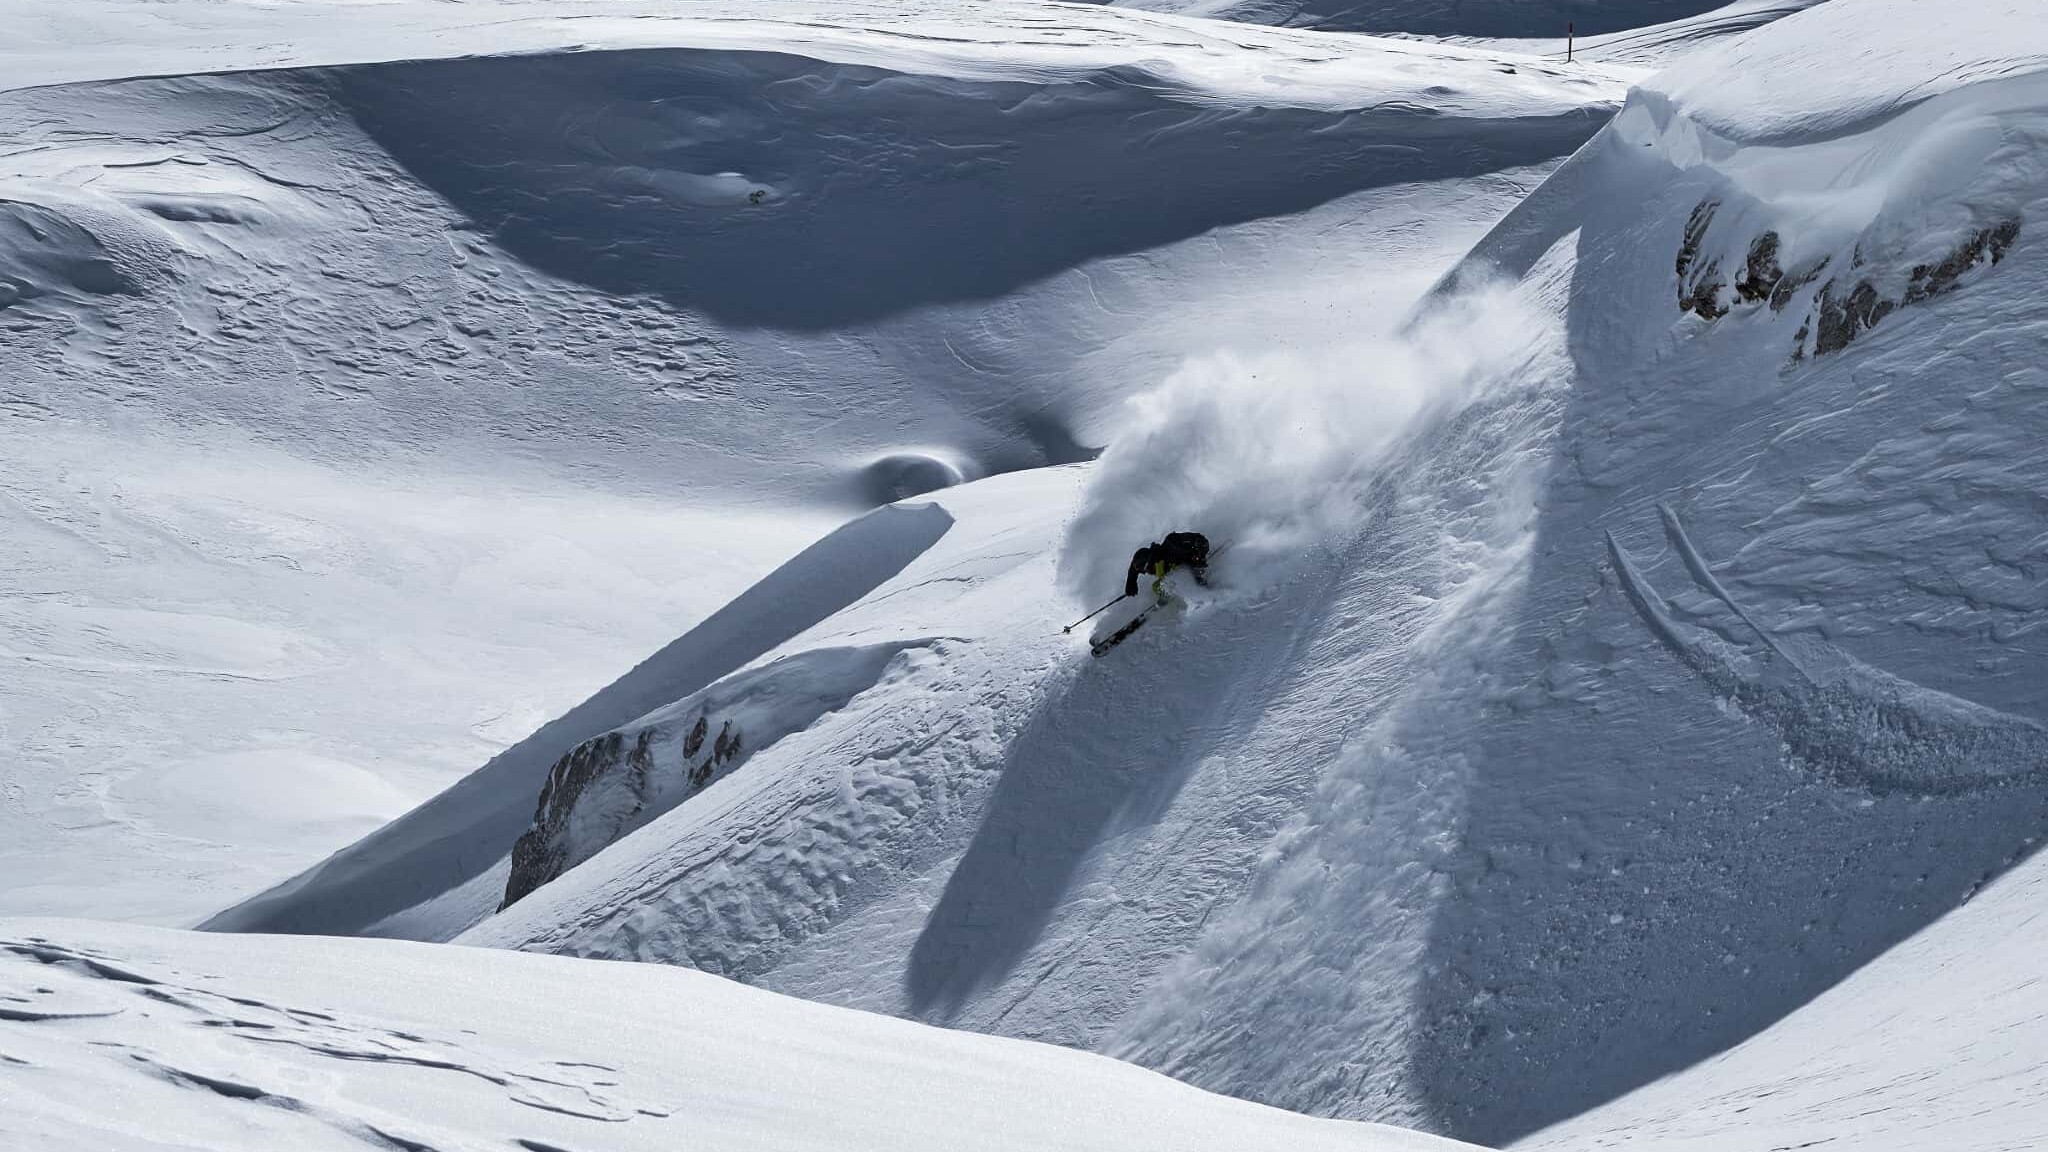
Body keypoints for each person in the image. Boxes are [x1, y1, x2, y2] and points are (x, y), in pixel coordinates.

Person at [1123, 531, 1211, 601]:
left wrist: (1200, 557)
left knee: (1164, 580)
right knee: (1157, 586)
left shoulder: (1171, 546)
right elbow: (1134, 569)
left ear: (1151, 562)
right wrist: (1131, 583)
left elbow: (1199, 541)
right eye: (1146, 571)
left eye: (1148, 569)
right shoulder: (1155, 562)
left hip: (1199, 553)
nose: (1148, 573)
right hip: (1181, 567)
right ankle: (1168, 596)